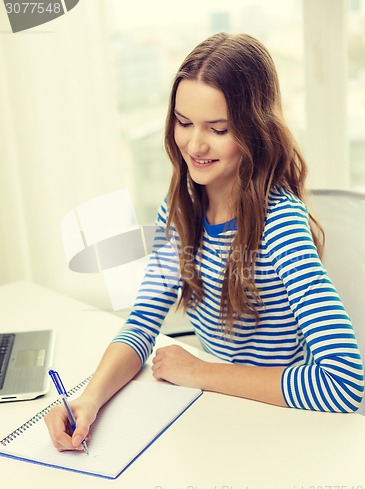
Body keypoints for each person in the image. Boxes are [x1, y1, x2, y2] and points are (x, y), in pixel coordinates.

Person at [45, 32, 364, 452]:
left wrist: (200, 372)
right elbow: (142, 325)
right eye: (183, 122)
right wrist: (88, 400)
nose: (194, 145)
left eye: (218, 129)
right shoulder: (180, 209)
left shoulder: (281, 225)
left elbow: (343, 383)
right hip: (216, 411)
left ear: (255, 130)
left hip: (282, 424)